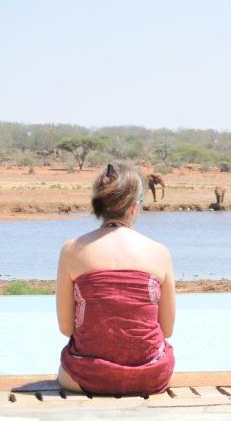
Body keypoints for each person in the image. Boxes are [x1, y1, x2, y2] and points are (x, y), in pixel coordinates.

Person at [56, 163, 175, 395]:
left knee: (64, 368)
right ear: (133, 207)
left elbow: (66, 327)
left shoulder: (72, 250)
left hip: (85, 377)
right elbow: (167, 329)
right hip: (151, 377)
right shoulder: (159, 252)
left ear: (99, 205)